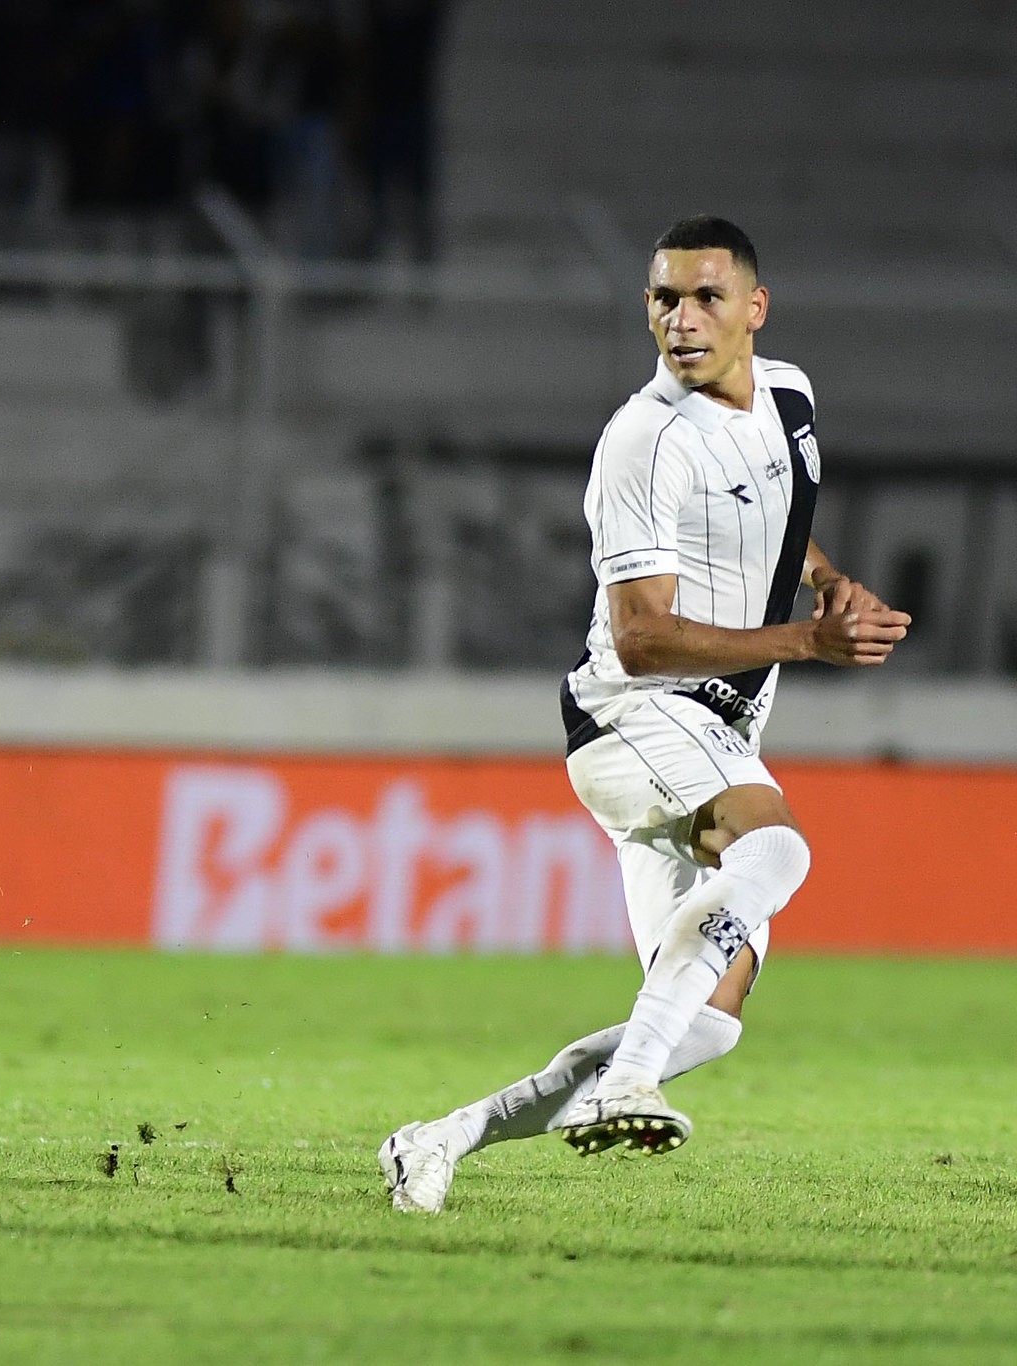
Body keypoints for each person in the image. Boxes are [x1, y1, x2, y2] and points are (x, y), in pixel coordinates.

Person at [380, 215, 912, 1212]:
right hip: (631, 713)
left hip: (712, 730)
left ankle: (436, 1138)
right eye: (664, 298)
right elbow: (640, 636)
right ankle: (622, 1086)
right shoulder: (641, 441)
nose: (682, 317)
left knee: (702, 1021)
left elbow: (776, 515)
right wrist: (806, 642)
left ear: (754, 308)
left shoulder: (787, 397)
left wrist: (828, 580)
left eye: (706, 296)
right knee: (778, 850)